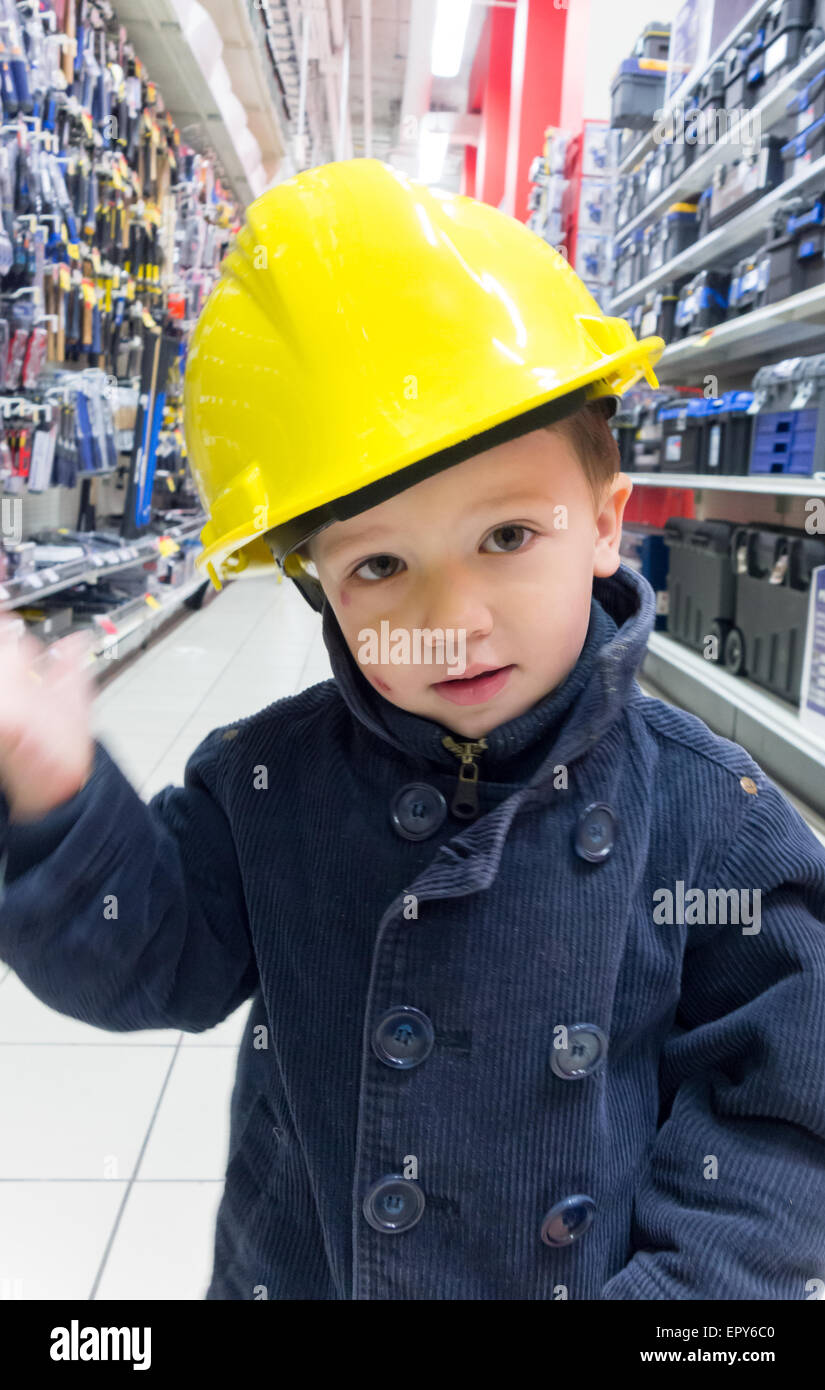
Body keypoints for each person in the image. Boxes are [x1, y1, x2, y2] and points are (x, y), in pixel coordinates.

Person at [1, 159, 825, 1301]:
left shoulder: (705, 822)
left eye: (505, 538)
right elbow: (151, 955)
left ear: (603, 521)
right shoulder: (270, 786)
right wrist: (56, 796)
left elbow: (783, 1111)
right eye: (381, 565)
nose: (453, 621)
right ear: (317, 588)